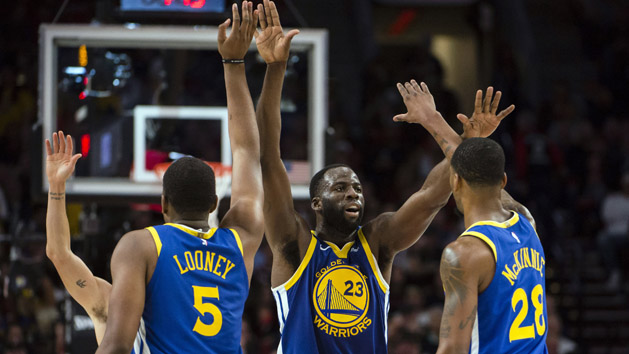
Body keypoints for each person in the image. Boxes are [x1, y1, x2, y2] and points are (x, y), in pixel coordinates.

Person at [254, 2, 521, 352]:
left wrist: (471, 144)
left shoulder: (377, 240)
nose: (353, 194)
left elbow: (432, 196)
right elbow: (268, 156)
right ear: (316, 202)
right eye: (340, 188)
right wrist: (275, 68)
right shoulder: (295, 243)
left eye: (356, 188)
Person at [93, 2, 264, 353]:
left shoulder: (140, 246)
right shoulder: (241, 240)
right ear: (216, 202)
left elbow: (116, 347)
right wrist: (234, 64)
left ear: (163, 203)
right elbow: (247, 150)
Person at [394, 80, 547, 353]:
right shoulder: (526, 222)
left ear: (454, 183)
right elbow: (470, 168)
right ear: (503, 180)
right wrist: (450, 129)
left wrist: (432, 118)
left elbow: (453, 348)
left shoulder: (463, 254)